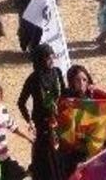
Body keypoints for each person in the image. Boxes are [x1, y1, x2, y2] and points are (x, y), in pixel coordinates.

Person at [60, 65, 106, 178]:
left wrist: (97, 88)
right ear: (71, 82)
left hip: (93, 146)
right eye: (77, 80)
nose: (81, 83)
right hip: (73, 153)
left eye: (84, 80)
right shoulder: (66, 100)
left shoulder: (92, 96)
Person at [18, 44, 64, 180]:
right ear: (40, 59)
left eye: (52, 56)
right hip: (41, 121)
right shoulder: (33, 79)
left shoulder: (57, 72)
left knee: (59, 149)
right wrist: (29, 121)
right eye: (48, 57)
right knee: (44, 152)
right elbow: (21, 102)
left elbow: (64, 92)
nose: (51, 60)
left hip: (57, 118)